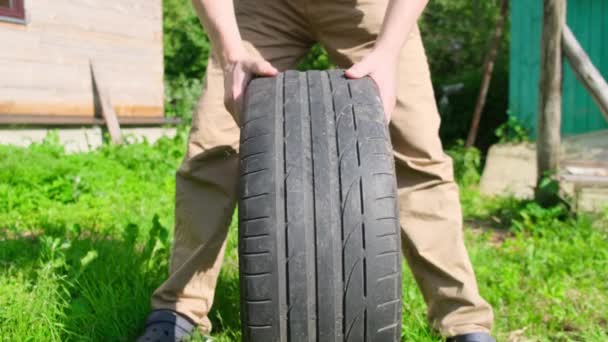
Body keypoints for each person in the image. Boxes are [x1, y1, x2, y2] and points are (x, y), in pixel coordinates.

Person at [138, 0, 496, 341]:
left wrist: (388, 53)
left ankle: (462, 319)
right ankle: (179, 309)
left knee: (416, 154)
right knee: (213, 150)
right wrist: (231, 53)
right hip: (261, 10)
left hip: (366, 9)